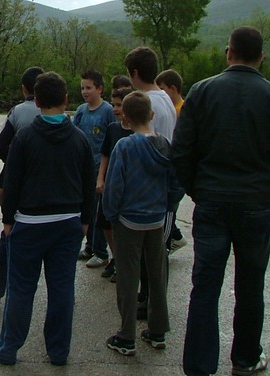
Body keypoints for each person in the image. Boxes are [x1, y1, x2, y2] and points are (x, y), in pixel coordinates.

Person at [171, 26, 270, 376]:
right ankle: (245, 359)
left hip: (211, 201)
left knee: (205, 285)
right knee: (250, 285)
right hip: (255, 205)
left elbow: (181, 152)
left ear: (228, 52)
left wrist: (198, 189)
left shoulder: (202, 92)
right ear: (261, 57)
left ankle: (199, 366)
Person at [0, 72, 95, 366]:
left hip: (30, 223)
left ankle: (8, 347)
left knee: (21, 288)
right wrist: (85, 220)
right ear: (66, 100)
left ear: (36, 101)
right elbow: (88, 184)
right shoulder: (80, 139)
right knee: (62, 288)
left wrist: (8, 220)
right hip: (68, 223)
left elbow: (12, 183)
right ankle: (59, 351)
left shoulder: (25, 138)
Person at [103, 91, 183, 356]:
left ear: (125, 118)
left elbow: (115, 185)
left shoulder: (124, 147)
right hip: (156, 218)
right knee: (157, 273)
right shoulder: (164, 145)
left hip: (129, 220)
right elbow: (176, 182)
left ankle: (126, 335)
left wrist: (111, 213)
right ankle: (157, 330)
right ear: (152, 115)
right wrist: (168, 206)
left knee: (128, 277)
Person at [0, 66, 43, 309]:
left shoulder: (18, 112)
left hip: (20, 177)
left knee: (10, 235)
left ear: (24, 88)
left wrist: (15, 162)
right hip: (47, 186)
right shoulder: (61, 116)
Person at [125, 47, 178, 317]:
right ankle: (147, 295)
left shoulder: (148, 103)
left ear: (135, 73)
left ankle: (153, 303)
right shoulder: (165, 97)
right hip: (162, 184)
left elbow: (148, 146)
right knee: (152, 251)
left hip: (154, 188)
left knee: (155, 252)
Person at [73, 69, 116, 268]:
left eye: (88, 88)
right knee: (87, 210)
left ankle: (101, 251)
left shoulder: (108, 111)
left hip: (101, 168)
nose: (84, 91)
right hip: (83, 168)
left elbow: (112, 140)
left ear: (100, 89)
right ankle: (89, 246)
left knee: (99, 212)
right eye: (82, 88)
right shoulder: (81, 110)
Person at [96, 86, 134, 281]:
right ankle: (116, 257)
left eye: (119, 105)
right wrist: (100, 178)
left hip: (128, 188)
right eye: (114, 105)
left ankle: (125, 262)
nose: (115, 109)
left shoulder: (136, 132)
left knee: (124, 226)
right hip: (110, 185)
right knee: (105, 222)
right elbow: (105, 155)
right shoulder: (113, 129)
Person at [156, 68, 187, 252]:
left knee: (169, 210)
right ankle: (176, 237)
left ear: (173, 88)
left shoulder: (181, 110)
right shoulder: (171, 108)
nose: (160, 93)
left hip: (175, 168)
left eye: (162, 89)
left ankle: (165, 245)